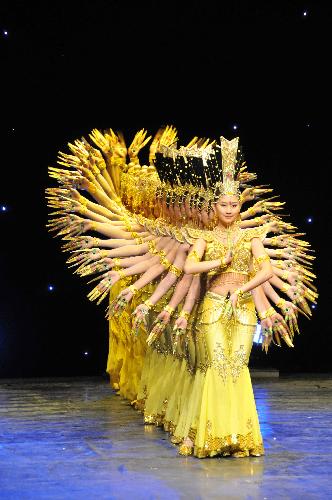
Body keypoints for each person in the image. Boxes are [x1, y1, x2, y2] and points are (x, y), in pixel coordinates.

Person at [47, 126, 317, 458]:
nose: (227, 209)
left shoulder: (251, 236)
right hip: (204, 307)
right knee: (208, 367)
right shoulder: (190, 236)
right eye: (221, 204)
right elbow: (183, 274)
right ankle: (201, 431)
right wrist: (169, 306)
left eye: (234, 203)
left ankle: (237, 434)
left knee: (235, 368)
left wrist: (271, 306)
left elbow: (264, 270)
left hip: (239, 309)